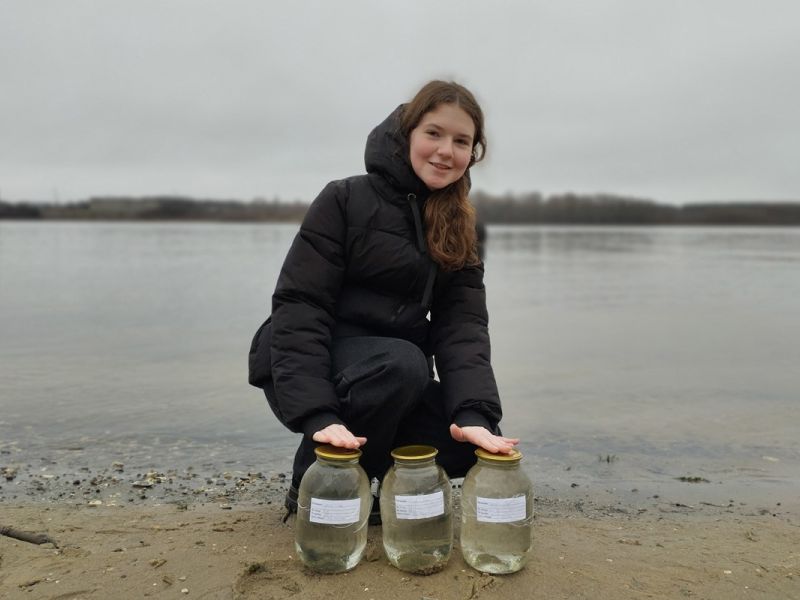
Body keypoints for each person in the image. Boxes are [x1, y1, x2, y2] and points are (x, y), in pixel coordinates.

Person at [249, 80, 518, 513]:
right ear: (406, 134)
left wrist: (473, 413)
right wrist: (317, 413)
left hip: (391, 375)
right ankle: (318, 483)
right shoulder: (345, 199)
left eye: (461, 141)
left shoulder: (461, 225)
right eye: (434, 133)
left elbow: (462, 328)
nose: (445, 150)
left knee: (469, 442)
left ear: (473, 153)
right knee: (403, 365)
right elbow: (301, 307)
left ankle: (378, 482)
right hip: (310, 366)